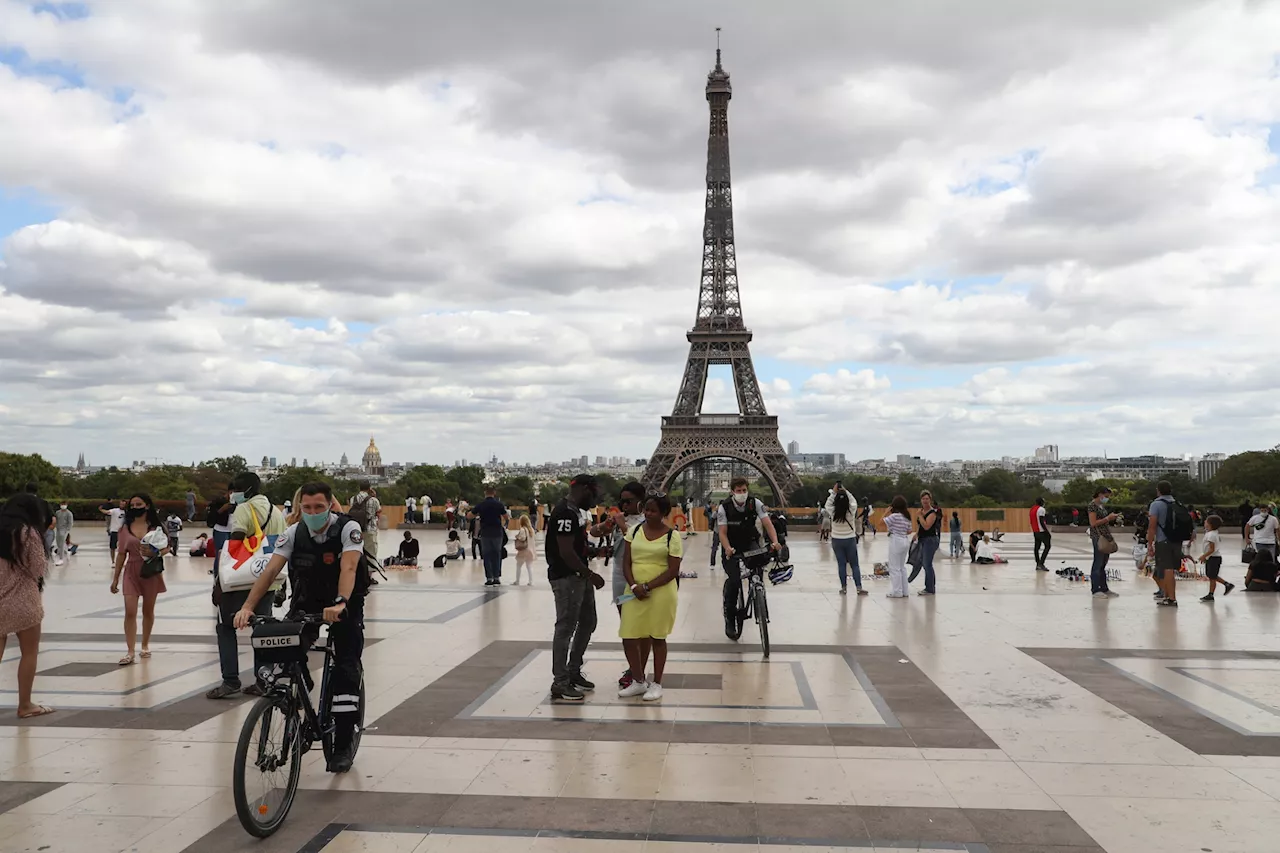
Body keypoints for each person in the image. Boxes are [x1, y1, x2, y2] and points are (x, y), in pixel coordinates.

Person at [233, 482, 368, 773]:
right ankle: (299, 689)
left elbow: (349, 568)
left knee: (346, 669)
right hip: (307, 602)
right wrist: (247, 607)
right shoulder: (294, 533)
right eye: (306, 508)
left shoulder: (348, 529)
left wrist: (342, 602)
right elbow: (271, 570)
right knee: (284, 652)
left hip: (344, 604)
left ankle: (343, 742)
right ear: (300, 508)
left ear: (330, 505)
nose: (312, 512)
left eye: (319, 507)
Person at [206, 473, 286, 699]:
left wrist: (219, 583)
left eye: (237, 489)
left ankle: (230, 680)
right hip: (268, 580)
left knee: (226, 627)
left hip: (242, 580)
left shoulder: (244, 509)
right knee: (261, 631)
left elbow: (235, 545)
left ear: (248, 490)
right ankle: (263, 680)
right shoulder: (276, 511)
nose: (233, 494)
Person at [545, 475, 607, 703]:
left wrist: (593, 553)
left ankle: (572, 670)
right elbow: (566, 552)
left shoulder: (574, 512)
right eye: (592, 493)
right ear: (581, 489)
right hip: (567, 577)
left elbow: (574, 548)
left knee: (588, 621)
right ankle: (560, 682)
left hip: (577, 575)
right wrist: (590, 574)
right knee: (566, 627)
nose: (594, 498)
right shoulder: (565, 513)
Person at [618, 494, 683, 702]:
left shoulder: (672, 536)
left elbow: (673, 570)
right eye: (646, 509)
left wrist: (647, 586)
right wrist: (635, 585)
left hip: (661, 592)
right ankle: (638, 680)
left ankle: (657, 683)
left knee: (657, 636)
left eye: (653, 510)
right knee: (629, 634)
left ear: (664, 513)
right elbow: (626, 562)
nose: (648, 514)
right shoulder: (634, 531)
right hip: (633, 590)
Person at [0, 494, 54, 718]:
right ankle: (25, 705)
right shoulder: (27, 532)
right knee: (29, 653)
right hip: (24, 600)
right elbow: (38, 568)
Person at [716, 478, 782, 636]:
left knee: (758, 567)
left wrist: (775, 542)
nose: (741, 494)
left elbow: (768, 524)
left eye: (744, 490)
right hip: (732, 546)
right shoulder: (723, 508)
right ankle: (730, 617)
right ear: (732, 492)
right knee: (734, 581)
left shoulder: (755, 503)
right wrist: (727, 549)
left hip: (750, 542)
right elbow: (722, 533)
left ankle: (758, 592)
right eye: (738, 491)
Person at [111, 493, 168, 665]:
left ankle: (145, 644)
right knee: (130, 611)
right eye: (132, 505)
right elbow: (121, 554)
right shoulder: (124, 528)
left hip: (150, 571)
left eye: (139, 504)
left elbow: (167, 547)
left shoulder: (156, 527)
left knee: (148, 610)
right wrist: (115, 579)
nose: (135, 508)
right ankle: (130, 650)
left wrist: (156, 552)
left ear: (147, 505)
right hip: (131, 570)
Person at [1148, 480, 1190, 607]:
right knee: (1170, 568)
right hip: (1177, 540)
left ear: (1158, 490)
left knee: (1167, 569)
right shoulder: (1177, 503)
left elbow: (1152, 526)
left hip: (1163, 540)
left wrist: (1150, 543)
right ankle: (1167, 596)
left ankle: (1171, 598)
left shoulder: (1156, 504)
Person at [826, 485, 863, 595]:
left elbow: (827, 504)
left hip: (837, 540)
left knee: (841, 565)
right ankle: (858, 587)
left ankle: (843, 587)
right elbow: (854, 501)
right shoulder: (851, 511)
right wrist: (846, 491)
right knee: (854, 565)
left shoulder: (833, 512)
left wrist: (833, 492)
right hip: (850, 539)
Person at [1087, 488, 1120, 598]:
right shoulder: (1092, 506)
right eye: (1106, 496)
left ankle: (1104, 588)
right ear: (1100, 494)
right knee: (1098, 562)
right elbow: (1093, 523)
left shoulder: (1101, 506)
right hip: (1098, 536)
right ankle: (1096, 589)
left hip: (1105, 535)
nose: (1107, 498)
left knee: (1103, 563)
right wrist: (1107, 518)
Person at [475, 487, 510, 586]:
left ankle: (489, 578)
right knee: (496, 554)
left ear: (485, 493)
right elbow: (506, 517)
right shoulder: (499, 504)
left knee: (486, 555)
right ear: (494, 493)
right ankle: (496, 577)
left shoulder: (481, 504)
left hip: (485, 532)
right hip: (497, 532)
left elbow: (469, 515)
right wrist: (505, 525)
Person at [909, 490, 941, 595]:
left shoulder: (932, 513)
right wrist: (917, 534)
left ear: (930, 500)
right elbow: (921, 526)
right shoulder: (921, 511)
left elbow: (927, 526)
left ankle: (930, 588)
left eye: (927, 499)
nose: (925, 501)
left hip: (930, 540)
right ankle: (927, 586)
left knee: (927, 564)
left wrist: (920, 516)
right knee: (923, 563)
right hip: (923, 539)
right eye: (923, 499)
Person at [883, 496, 912, 597]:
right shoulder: (907, 517)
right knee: (901, 567)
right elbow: (909, 531)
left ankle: (897, 591)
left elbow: (880, 523)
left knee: (894, 567)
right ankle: (905, 591)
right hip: (904, 540)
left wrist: (886, 513)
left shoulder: (894, 516)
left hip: (896, 540)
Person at [1199, 515, 1234, 601]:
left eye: (1206, 521)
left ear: (1210, 524)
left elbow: (1212, 549)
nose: (1204, 522)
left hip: (1214, 558)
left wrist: (1204, 556)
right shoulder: (1211, 533)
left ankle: (1212, 594)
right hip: (1212, 557)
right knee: (1211, 576)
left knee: (1212, 576)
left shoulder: (1211, 535)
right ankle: (1225, 585)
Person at [350, 482, 382, 561]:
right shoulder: (374, 500)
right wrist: (374, 496)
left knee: (357, 552)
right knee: (371, 555)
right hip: (370, 530)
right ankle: (369, 572)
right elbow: (378, 513)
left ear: (359, 488)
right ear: (369, 488)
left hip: (356, 529)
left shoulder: (353, 499)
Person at [512, 515, 536, 584]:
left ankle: (517, 581)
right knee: (529, 566)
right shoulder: (531, 529)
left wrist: (517, 537)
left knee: (518, 565)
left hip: (524, 550)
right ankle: (531, 581)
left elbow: (522, 538)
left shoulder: (523, 529)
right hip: (530, 550)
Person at [102, 498, 126, 564]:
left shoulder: (127, 512)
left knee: (123, 548)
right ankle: (113, 561)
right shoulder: (115, 511)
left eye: (123, 504)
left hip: (123, 532)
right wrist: (102, 510)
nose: (122, 505)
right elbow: (107, 512)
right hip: (114, 530)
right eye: (121, 504)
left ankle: (121, 561)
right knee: (112, 547)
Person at [1031, 497, 1051, 571]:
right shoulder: (1041, 509)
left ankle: (1038, 563)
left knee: (1036, 548)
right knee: (1047, 546)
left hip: (1035, 531)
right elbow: (1041, 521)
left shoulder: (1032, 509)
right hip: (1041, 531)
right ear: (1041, 502)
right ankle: (1041, 564)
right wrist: (1047, 531)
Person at [52, 502, 73, 567]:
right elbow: (56, 520)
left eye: (64, 505)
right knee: (59, 543)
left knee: (61, 543)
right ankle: (67, 552)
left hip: (64, 530)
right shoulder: (57, 512)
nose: (63, 506)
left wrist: (68, 530)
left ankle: (61, 559)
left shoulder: (69, 513)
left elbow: (70, 522)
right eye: (62, 504)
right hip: (58, 529)